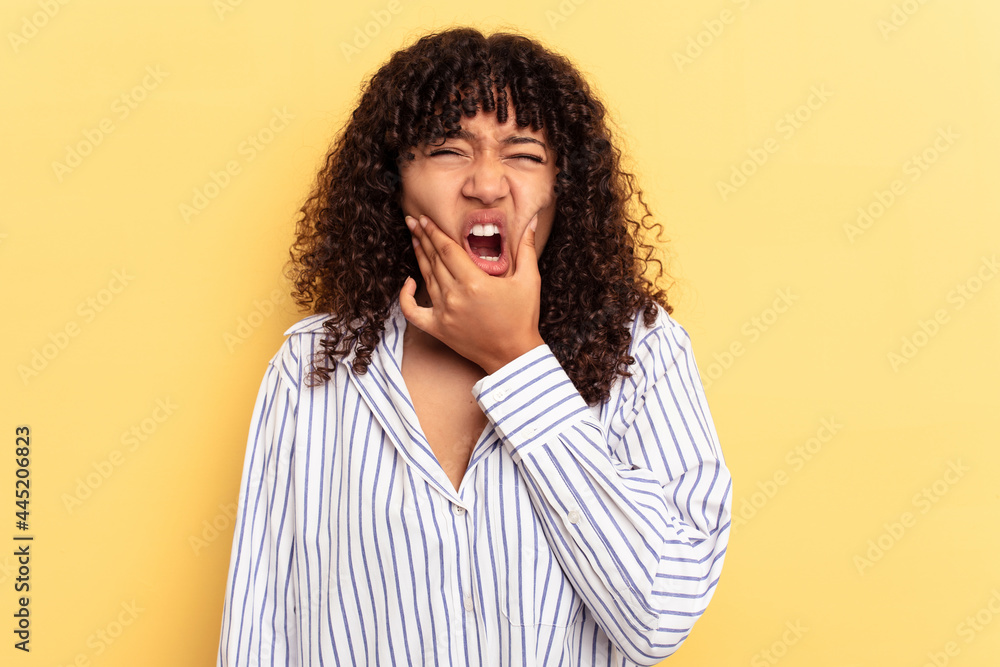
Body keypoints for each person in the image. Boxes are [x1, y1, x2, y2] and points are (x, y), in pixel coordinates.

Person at [217, 26, 732, 667]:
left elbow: (659, 616)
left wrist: (516, 360)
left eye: (523, 154)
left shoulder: (642, 352)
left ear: (562, 189)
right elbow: (258, 628)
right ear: (394, 182)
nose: (487, 184)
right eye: (448, 150)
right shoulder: (313, 367)